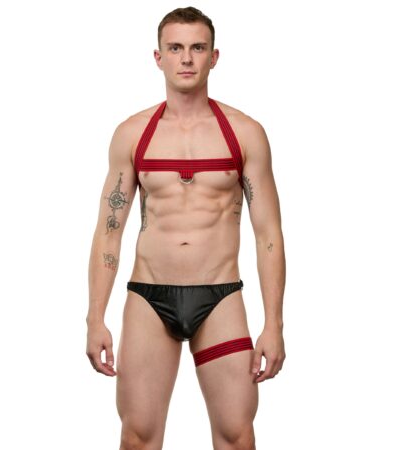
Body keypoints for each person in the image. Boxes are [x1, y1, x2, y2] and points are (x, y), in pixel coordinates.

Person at [86, 6, 286, 450]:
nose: (187, 58)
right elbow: (109, 231)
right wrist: (94, 317)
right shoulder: (132, 134)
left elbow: (268, 235)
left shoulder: (245, 133)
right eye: (175, 48)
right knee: (138, 437)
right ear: (158, 57)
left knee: (236, 436)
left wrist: (274, 324)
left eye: (197, 48)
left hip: (220, 297)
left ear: (214, 57)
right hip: (149, 297)